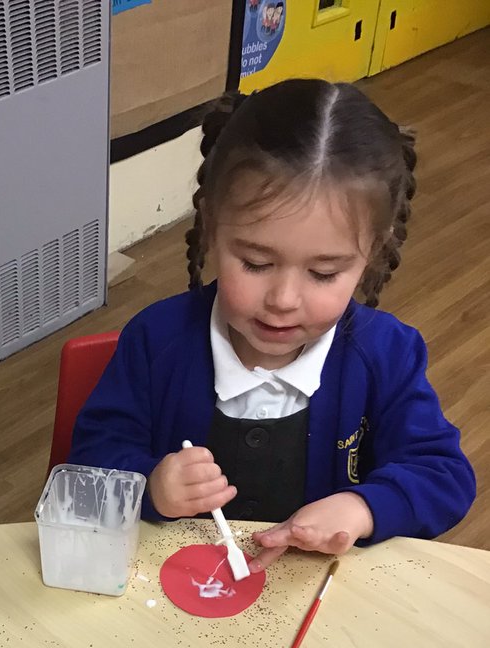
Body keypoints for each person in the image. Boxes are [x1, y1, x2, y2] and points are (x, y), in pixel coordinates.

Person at [69, 79, 475, 572]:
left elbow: (444, 476)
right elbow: (89, 462)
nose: (283, 301)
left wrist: (362, 508)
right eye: (256, 263)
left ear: (374, 252)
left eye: (324, 273)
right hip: (171, 590)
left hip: (313, 601)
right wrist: (150, 485)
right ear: (213, 226)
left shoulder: (386, 354)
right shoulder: (157, 340)